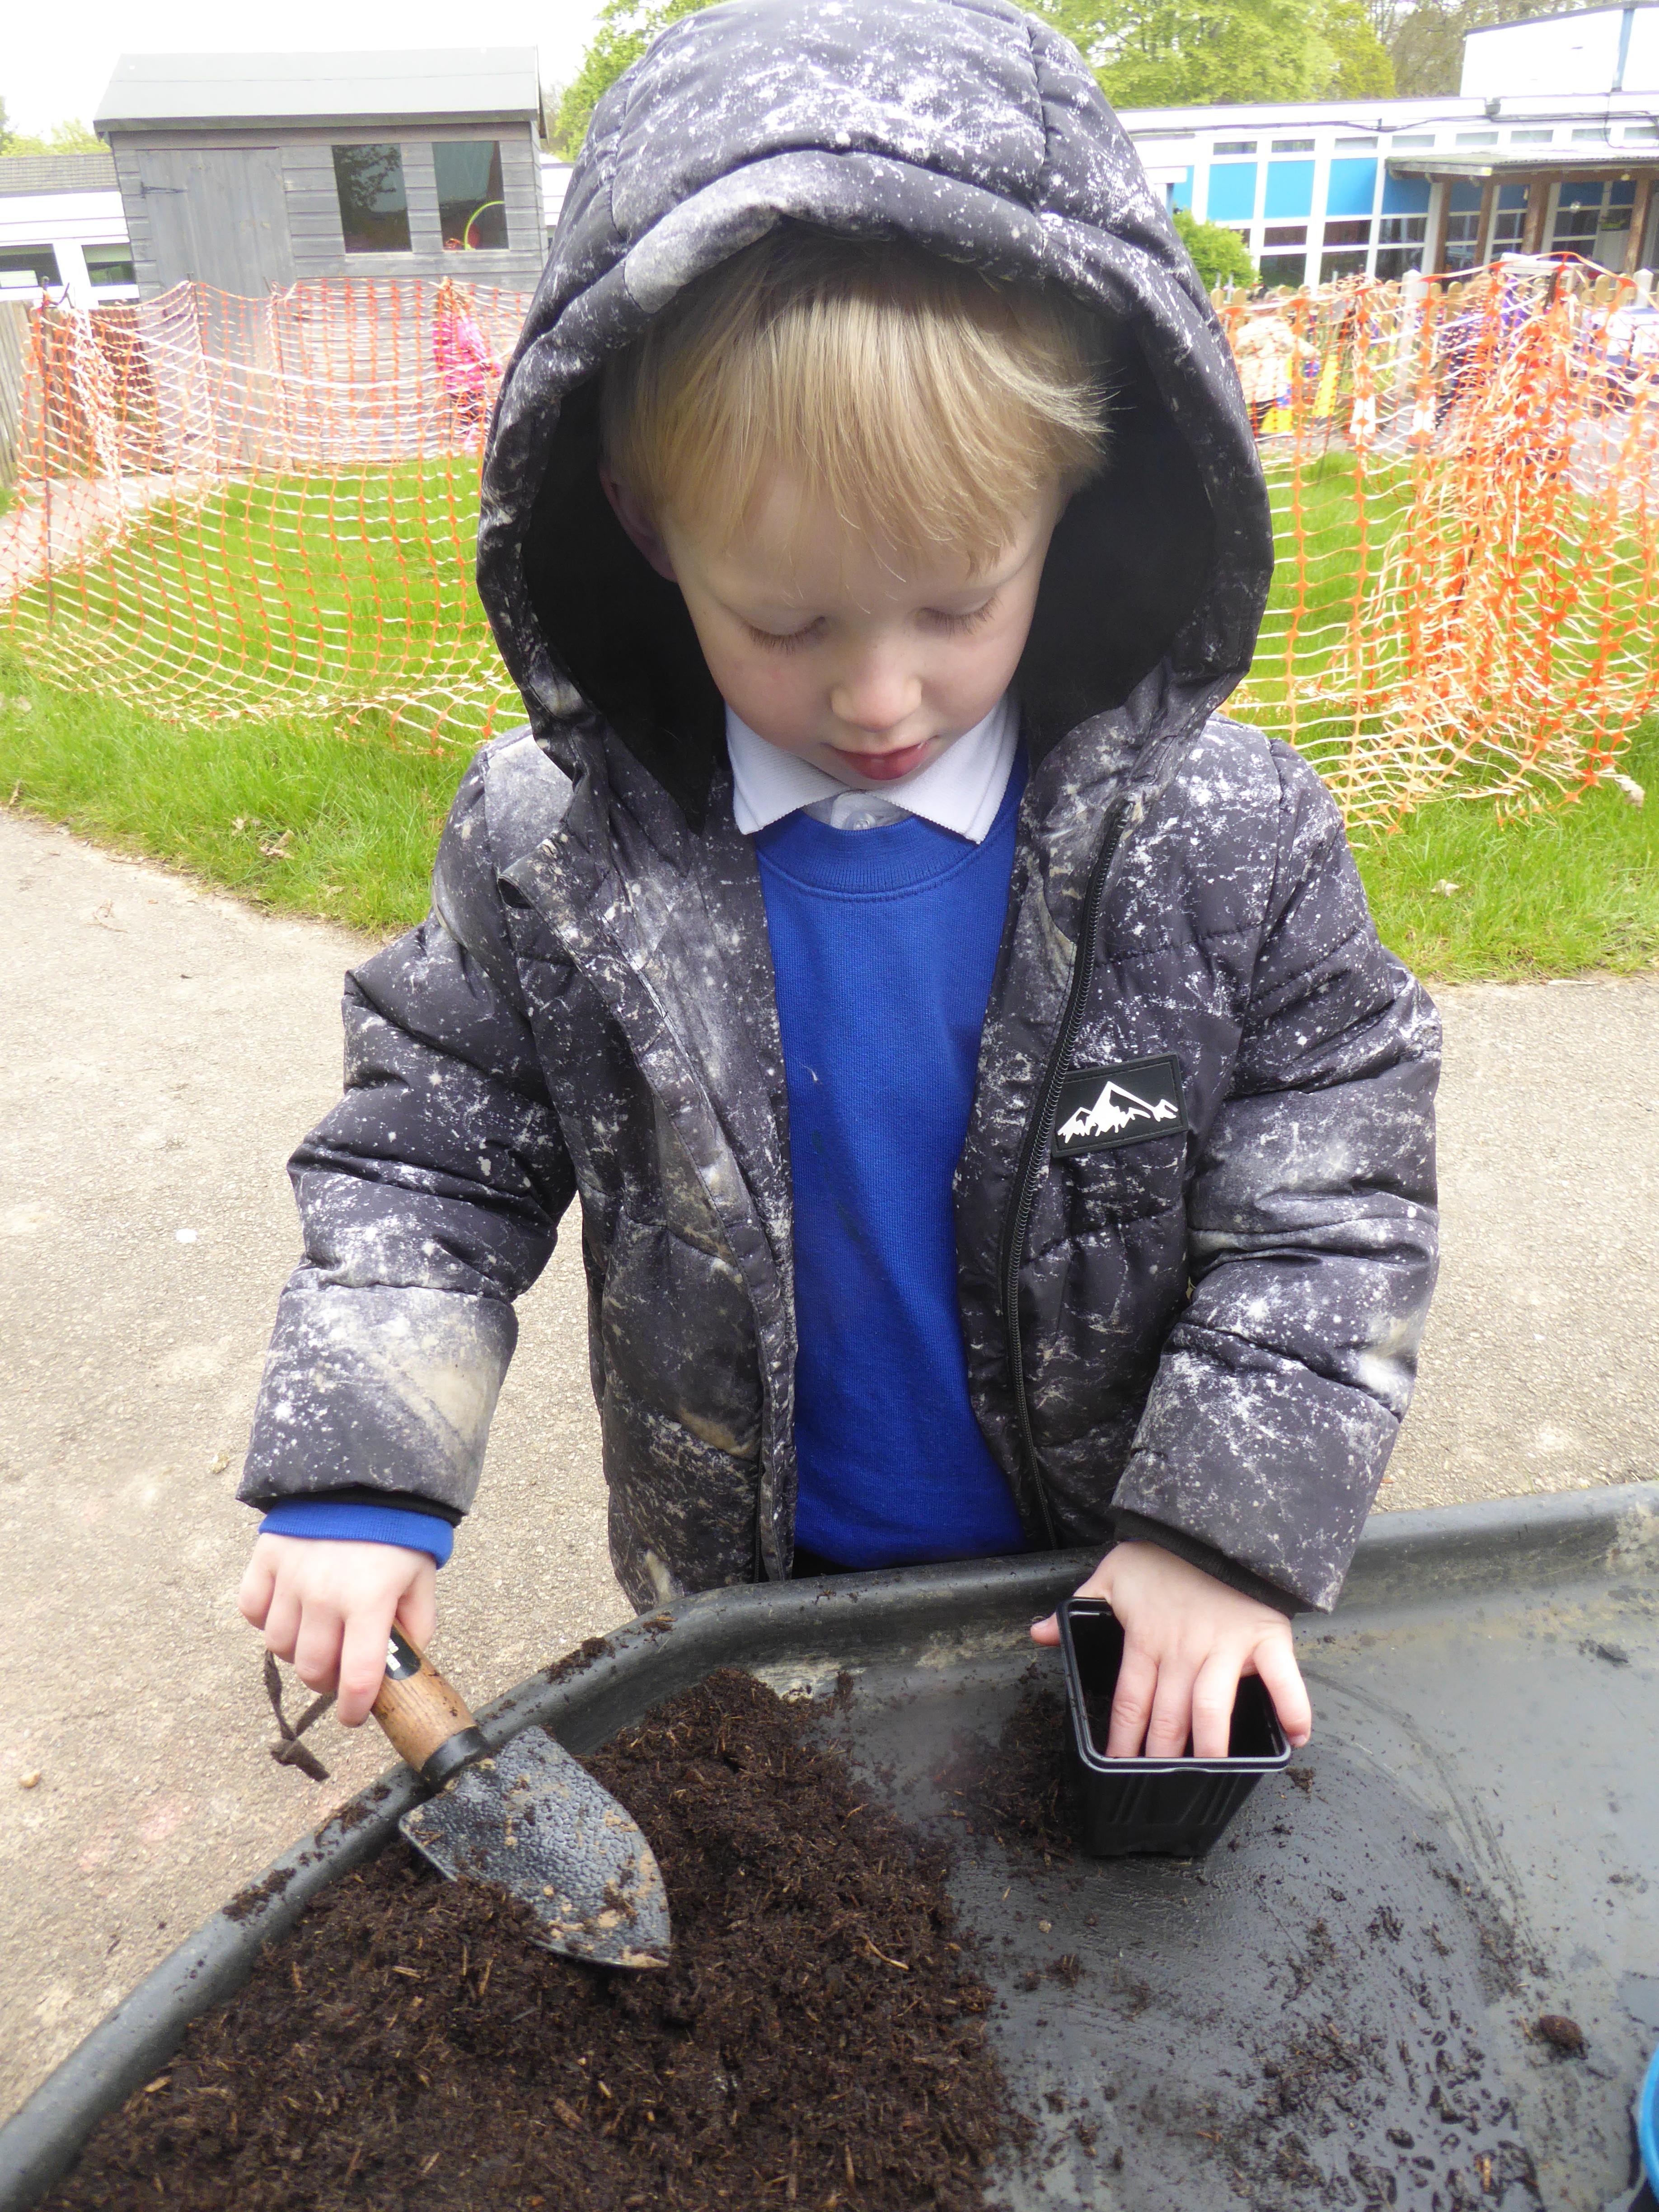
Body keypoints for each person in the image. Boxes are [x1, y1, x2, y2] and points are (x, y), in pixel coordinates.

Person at [237, 0, 1440, 1765]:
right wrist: (360, 1470)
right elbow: (432, 1153)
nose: (880, 698)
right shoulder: (555, 847)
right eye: (786, 621)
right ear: (643, 524)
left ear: (1073, 492)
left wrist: (1219, 1527)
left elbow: (1337, 1177)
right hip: (752, 1610)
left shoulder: (1222, 842)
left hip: (1112, 1602)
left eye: (956, 605)